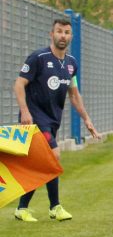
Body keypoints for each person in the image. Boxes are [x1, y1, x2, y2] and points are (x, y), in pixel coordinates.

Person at [13, 18, 100, 223]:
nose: (63, 35)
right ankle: (55, 206)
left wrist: (87, 119)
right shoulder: (38, 58)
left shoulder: (71, 65)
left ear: (71, 36)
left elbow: (74, 94)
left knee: (41, 164)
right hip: (33, 119)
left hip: (52, 120)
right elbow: (18, 85)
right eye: (59, 31)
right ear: (51, 34)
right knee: (54, 156)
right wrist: (24, 111)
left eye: (67, 32)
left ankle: (22, 208)